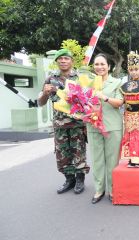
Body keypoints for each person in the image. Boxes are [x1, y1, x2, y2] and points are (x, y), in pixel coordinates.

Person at [38, 49, 89, 194]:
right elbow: (41, 102)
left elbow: (86, 101)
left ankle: (80, 180)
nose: (63, 61)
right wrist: (45, 94)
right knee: (62, 154)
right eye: (60, 59)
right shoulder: (50, 79)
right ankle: (69, 180)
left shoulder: (79, 78)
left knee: (78, 152)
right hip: (60, 124)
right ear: (57, 62)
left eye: (66, 58)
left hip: (77, 124)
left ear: (71, 61)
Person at [88, 54, 124, 204]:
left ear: (109, 66)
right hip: (93, 125)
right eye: (96, 64)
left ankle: (113, 189)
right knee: (96, 159)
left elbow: (120, 102)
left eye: (103, 64)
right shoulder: (88, 83)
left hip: (112, 126)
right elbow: (80, 102)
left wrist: (104, 97)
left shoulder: (117, 82)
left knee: (112, 160)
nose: (99, 67)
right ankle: (99, 189)